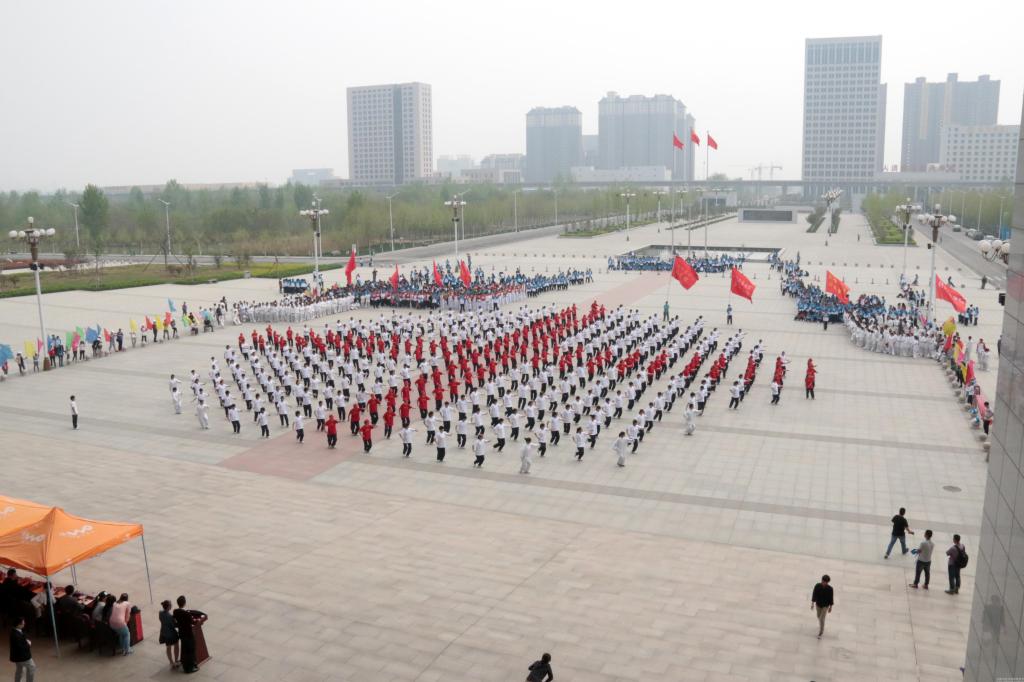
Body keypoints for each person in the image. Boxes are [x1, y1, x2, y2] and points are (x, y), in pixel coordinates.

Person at [173, 595, 198, 673]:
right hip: (188, 634)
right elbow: (193, 621)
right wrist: (196, 620)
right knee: (190, 650)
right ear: (184, 603)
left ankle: (186, 664)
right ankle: (189, 668)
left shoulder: (175, 611)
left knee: (184, 650)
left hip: (182, 633)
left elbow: (174, 619)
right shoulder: (186, 614)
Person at [9, 616, 34, 682]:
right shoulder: (15, 635)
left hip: (17, 657)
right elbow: (21, 647)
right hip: (22, 657)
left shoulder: (16, 631)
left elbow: (21, 640)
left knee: (20, 670)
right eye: (23, 623)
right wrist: (28, 644)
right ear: (18, 624)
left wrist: (26, 641)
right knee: (32, 667)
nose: (24, 624)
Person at [159, 599, 181, 670]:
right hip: (171, 634)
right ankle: (176, 660)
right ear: (168, 607)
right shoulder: (170, 617)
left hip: (164, 633)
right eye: (170, 605)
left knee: (168, 647)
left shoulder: (160, 613)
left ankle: (171, 662)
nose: (171, 606)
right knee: (176, 645)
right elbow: (174, 625)